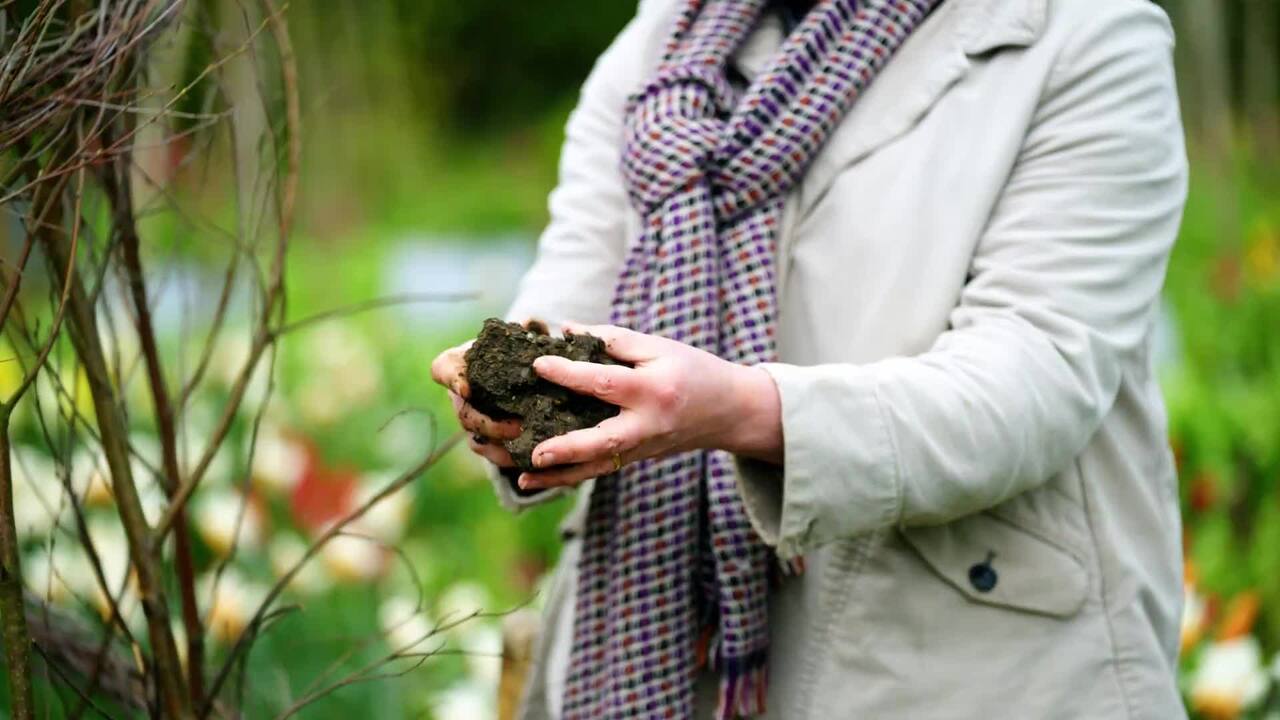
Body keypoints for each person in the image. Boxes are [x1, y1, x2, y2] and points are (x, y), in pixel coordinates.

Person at [431, 0, 1189, 717]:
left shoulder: (1087, 34)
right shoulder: (665, 38)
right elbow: (574, 286)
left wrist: (743, 410)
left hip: (969, 663)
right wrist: (516, 400)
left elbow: (1034, 381)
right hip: (661, 633)